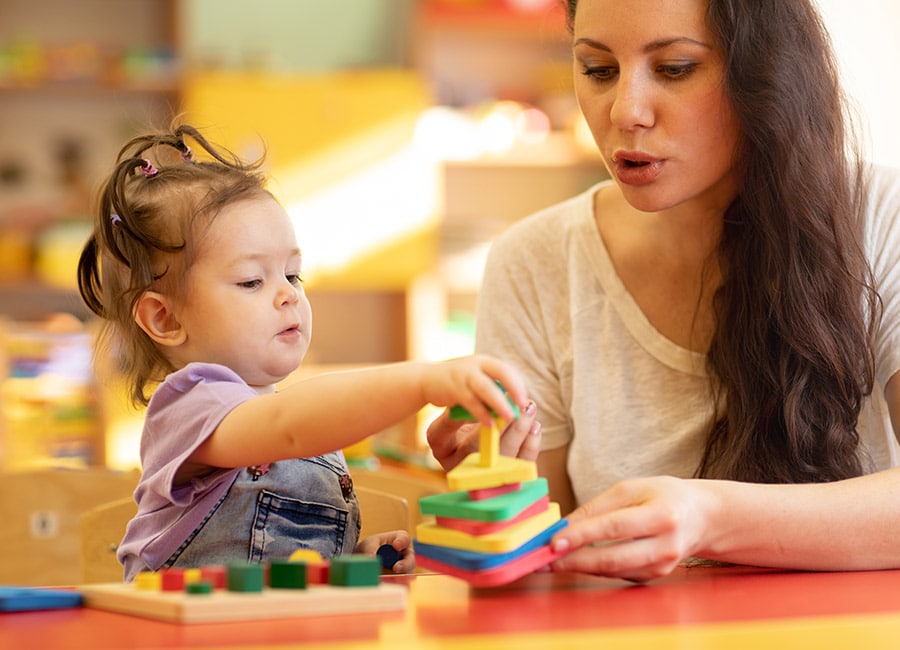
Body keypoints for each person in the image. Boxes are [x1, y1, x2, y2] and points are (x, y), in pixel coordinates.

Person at [427, 0, 900, 583]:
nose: (626, 111)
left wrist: (707, 517)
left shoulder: (881, 219)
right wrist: (496, 488)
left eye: (675, 68)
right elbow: (542, 572)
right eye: (599, 70)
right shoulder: (533, 262)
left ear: (767, 71)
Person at [77, 123, 538, 582]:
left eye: (293, 275)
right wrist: (421, 382)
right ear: (166, 319)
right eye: (252, 281)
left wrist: (351, 557)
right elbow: (289, 428)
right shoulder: (190, 408)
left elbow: (278, 556)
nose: (287, 295)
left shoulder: (291, 423)